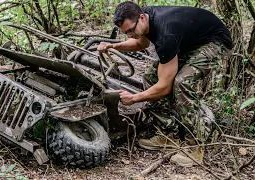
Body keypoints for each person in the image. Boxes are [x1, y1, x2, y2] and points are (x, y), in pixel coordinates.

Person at [97, 1, 232, 164]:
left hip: (215, 42)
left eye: (131, 30)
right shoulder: (145, 18)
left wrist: (134, 98)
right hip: (190, 42)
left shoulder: (166, 33)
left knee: (181, 83)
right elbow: (141, 43)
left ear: (141, 18)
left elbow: (165, 87)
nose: (129, 35)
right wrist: (114, 46)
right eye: (125, 32)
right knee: (150, 78)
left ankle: (196, 146)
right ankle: (168, 134)